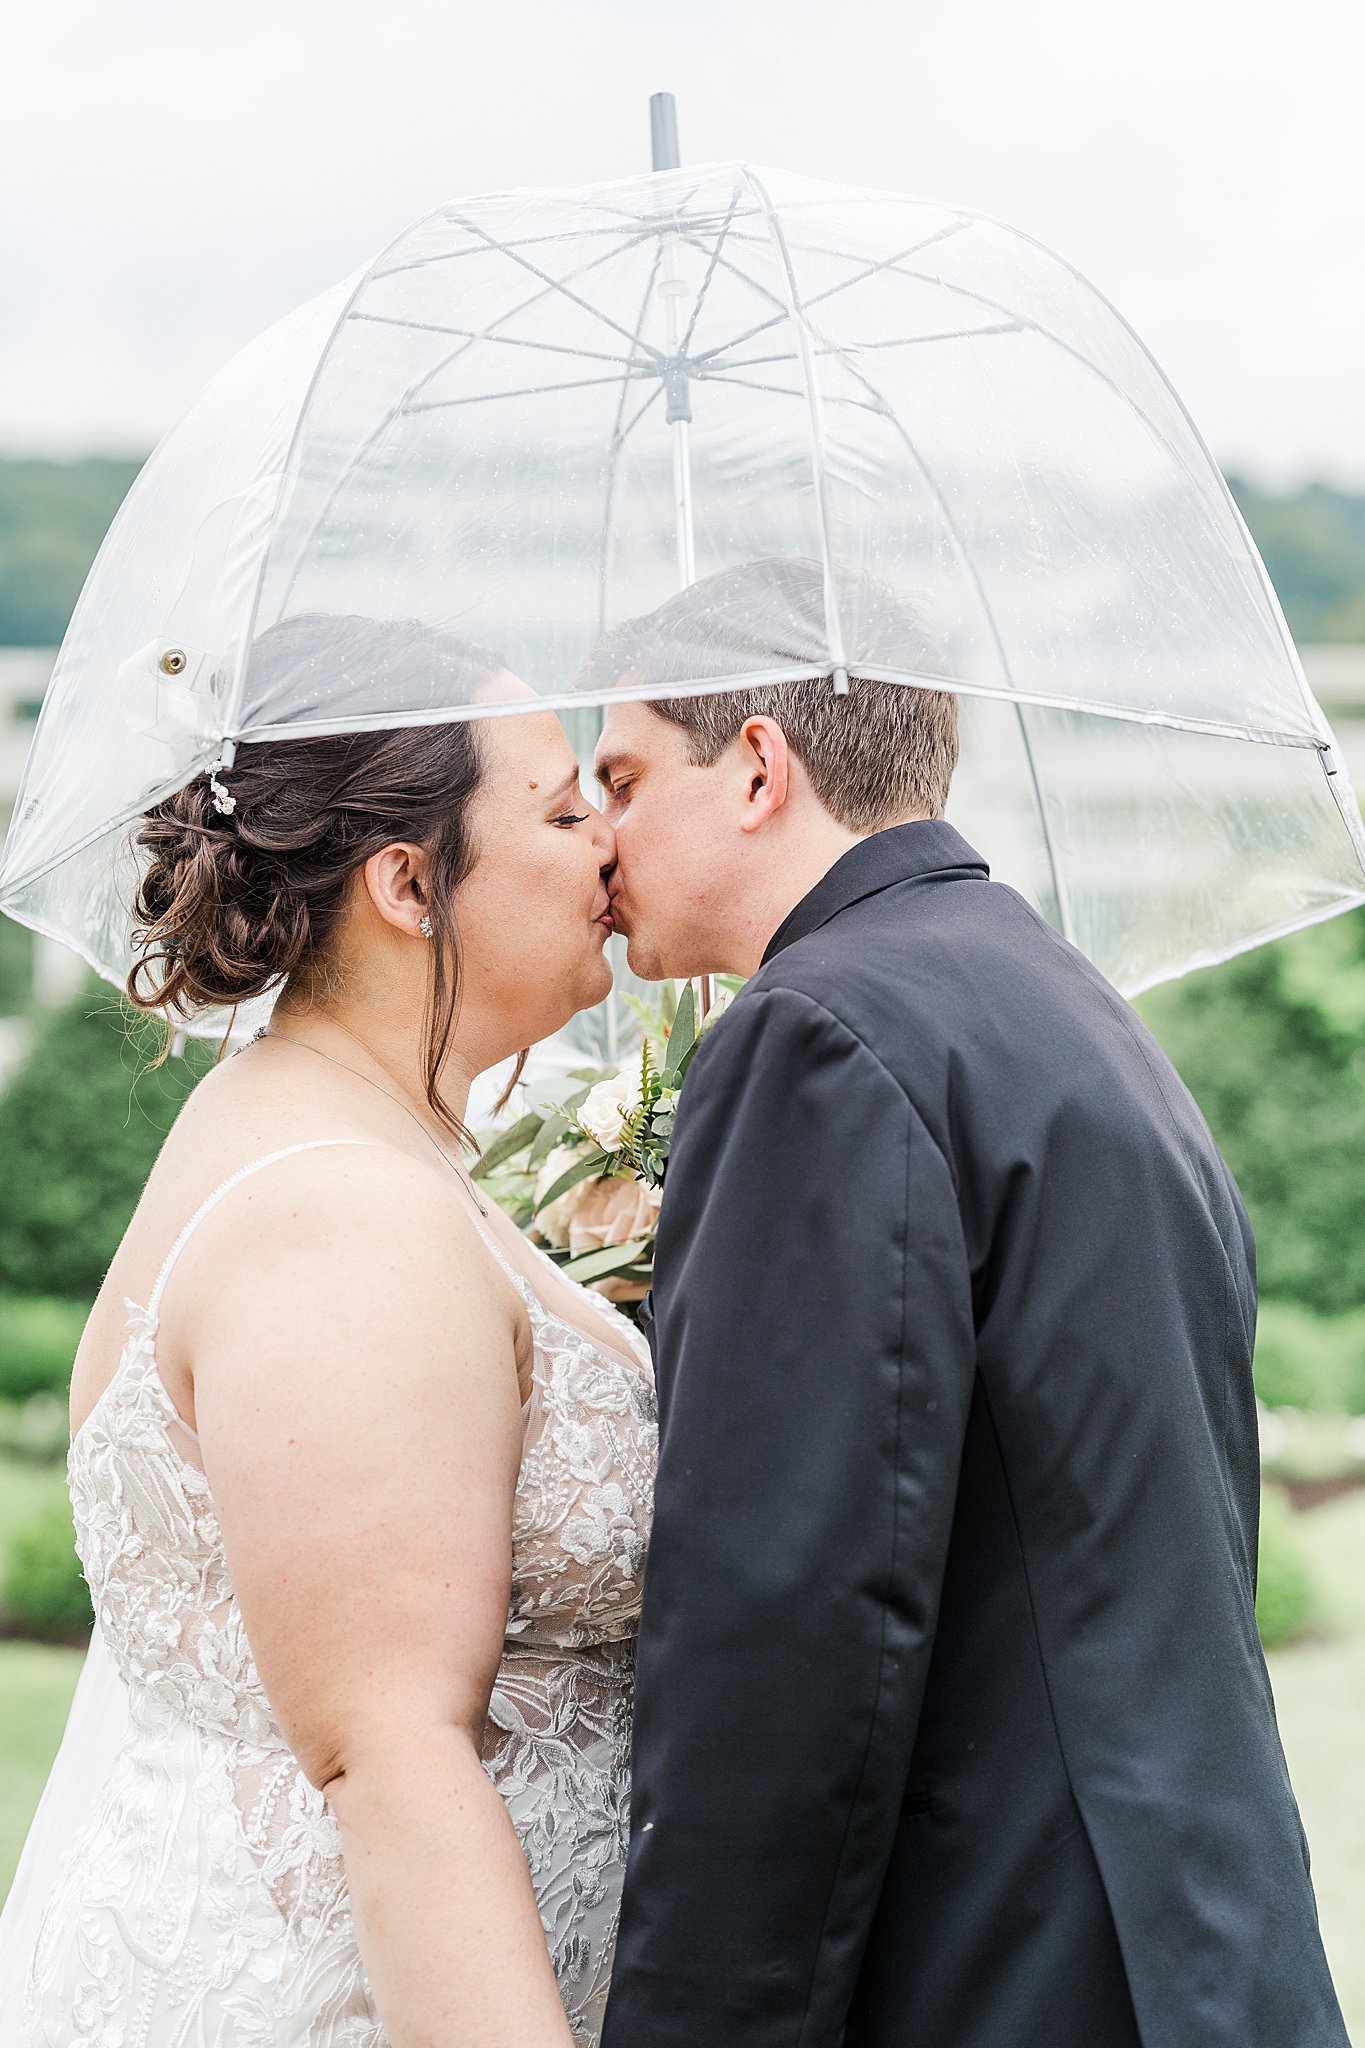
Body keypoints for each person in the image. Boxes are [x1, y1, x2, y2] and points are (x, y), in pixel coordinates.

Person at [582, 557, 1348, 2047]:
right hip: (1188, 1938)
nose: (596, 831)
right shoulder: (1067, 1008)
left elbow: (789, 1611)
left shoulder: (814, 1035)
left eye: (618, 773)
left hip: (996, 1963)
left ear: (756, 769)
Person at [9, 615, 656, 2048]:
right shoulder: (344, 1217)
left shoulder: (329, 1131)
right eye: (559, 808)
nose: (606, 839)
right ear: (409, 883)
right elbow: (394, 1757)